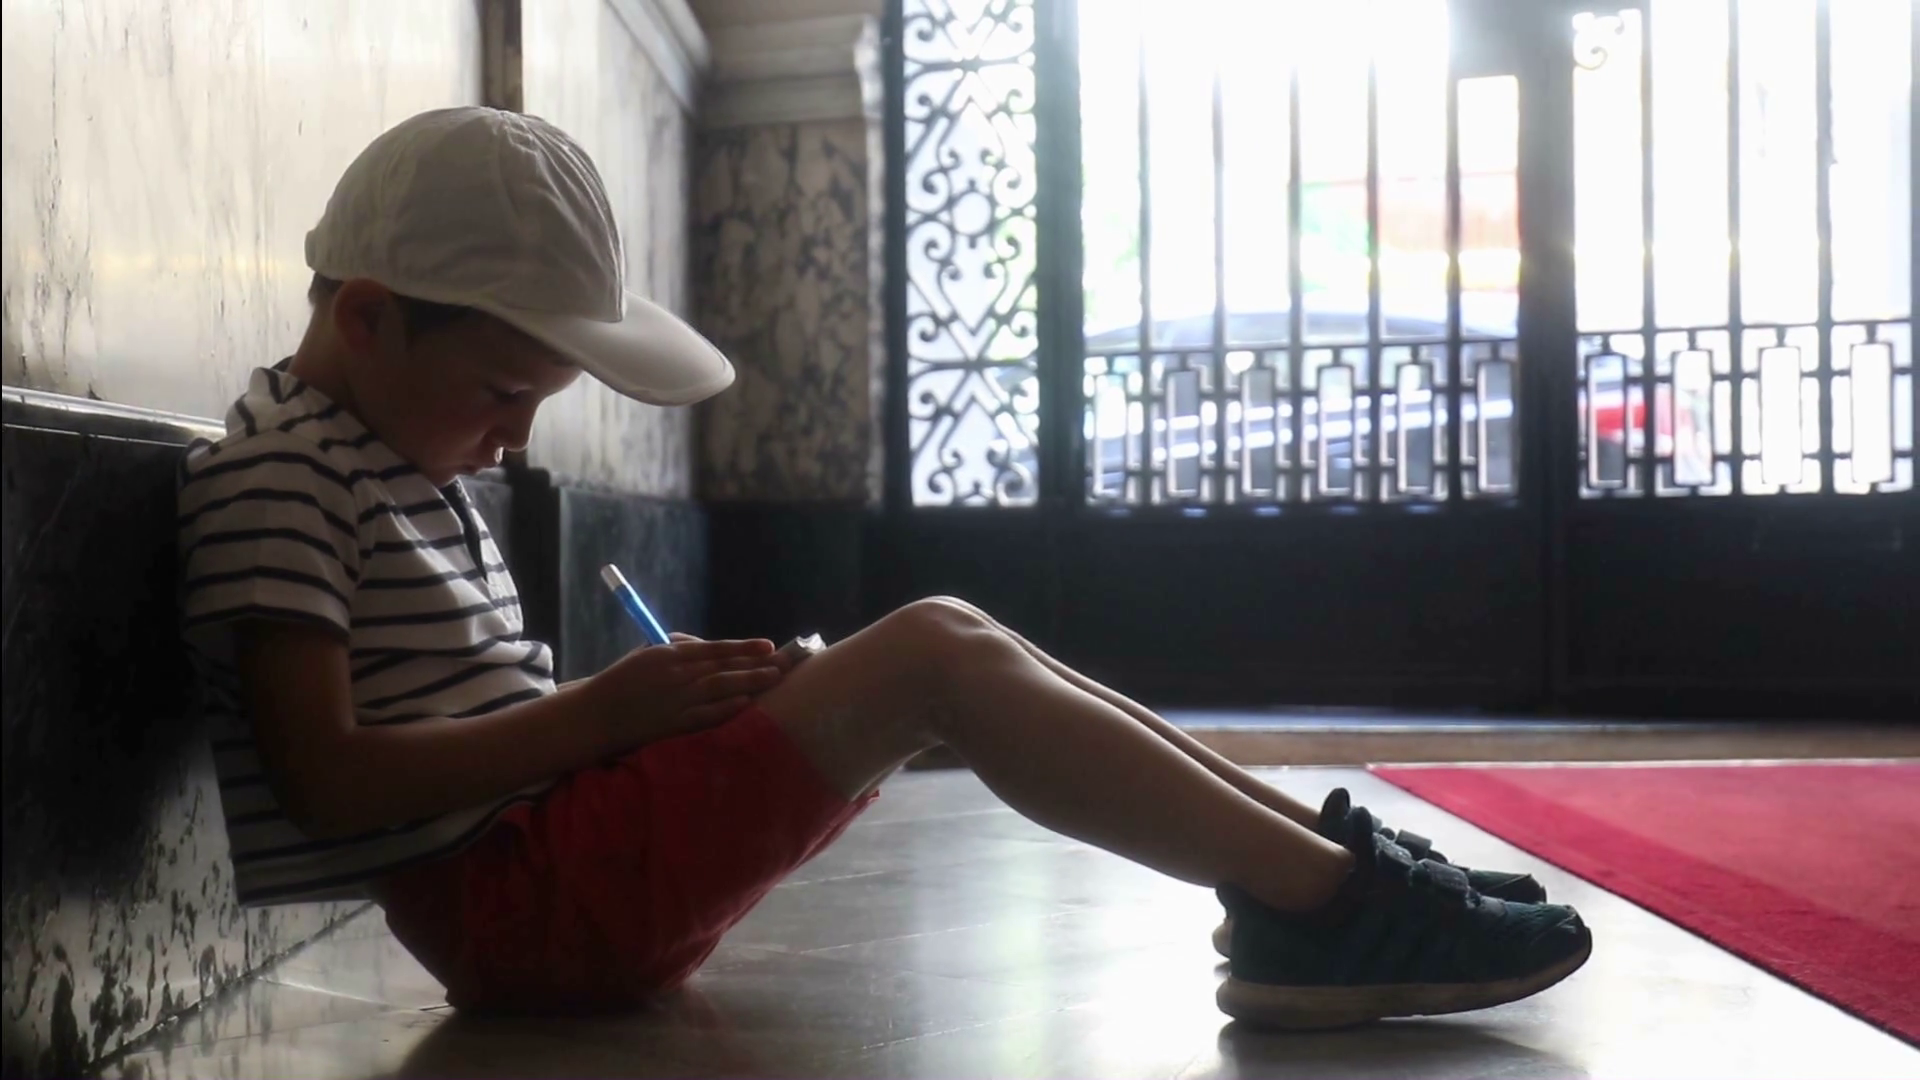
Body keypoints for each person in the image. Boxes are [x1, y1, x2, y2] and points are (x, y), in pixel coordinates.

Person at [177, 107, 1590, 1030]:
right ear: (370, 319)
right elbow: (330, 784)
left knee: (950, 632)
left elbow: (463, 725)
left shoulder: (376, 453)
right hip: (525, 914)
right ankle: (1329, 912)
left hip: (556, 867)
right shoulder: (279, 475)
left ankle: (1322, 874)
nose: (514, 438)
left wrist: (656, 715)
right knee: (931, 653)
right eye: (503, 393)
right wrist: (606, 717)